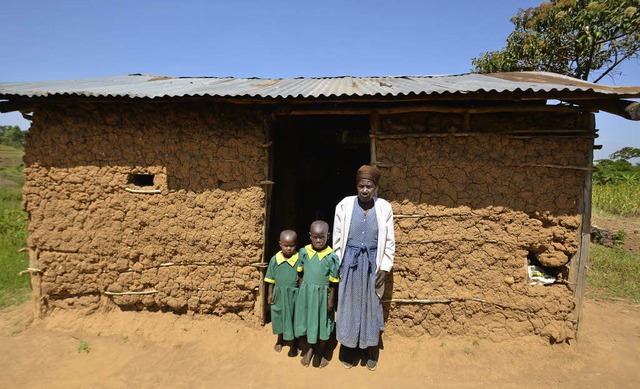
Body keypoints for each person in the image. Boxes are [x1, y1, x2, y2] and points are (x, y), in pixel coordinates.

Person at [333, 164, 395, 371]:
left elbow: (389, 242)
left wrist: (384, 268)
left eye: (369, 186)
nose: (365, 190)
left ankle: (370, 348)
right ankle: (348, 348)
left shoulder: (385, 208)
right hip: (350, 262)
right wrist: (337, 264)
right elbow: (337, 238)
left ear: (376, 187)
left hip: (372, 264)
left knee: (371, 305)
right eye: (361, 186)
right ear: (356, 186)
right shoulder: (344, 205)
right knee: (348, 304)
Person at [293, 220, 340, 368]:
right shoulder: (304, 252)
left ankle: (321, 350)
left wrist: (331, 299)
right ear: (310, 236)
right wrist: (303, 290)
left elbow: (334, 281)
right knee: (310, 321)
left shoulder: (331, 256)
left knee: (322, 323)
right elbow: (300, 272)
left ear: (328, 236)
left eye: (322, 237)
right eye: (315, 237)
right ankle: (310, 348)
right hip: (307, 293)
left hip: (322, 295)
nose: (318, 240)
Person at [264, 229, 300, 357]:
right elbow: (270, 279)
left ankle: (293, 342)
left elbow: (301, 277)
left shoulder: (299, 259)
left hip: (293, 294)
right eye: (286, 245)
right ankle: (280, 339)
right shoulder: (275, 259)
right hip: (278, 293)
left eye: (292, 245)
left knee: (293, 317)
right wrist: (269, 293)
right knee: (278, 315)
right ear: (280, 244)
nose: (289, 248)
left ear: (296, 244)